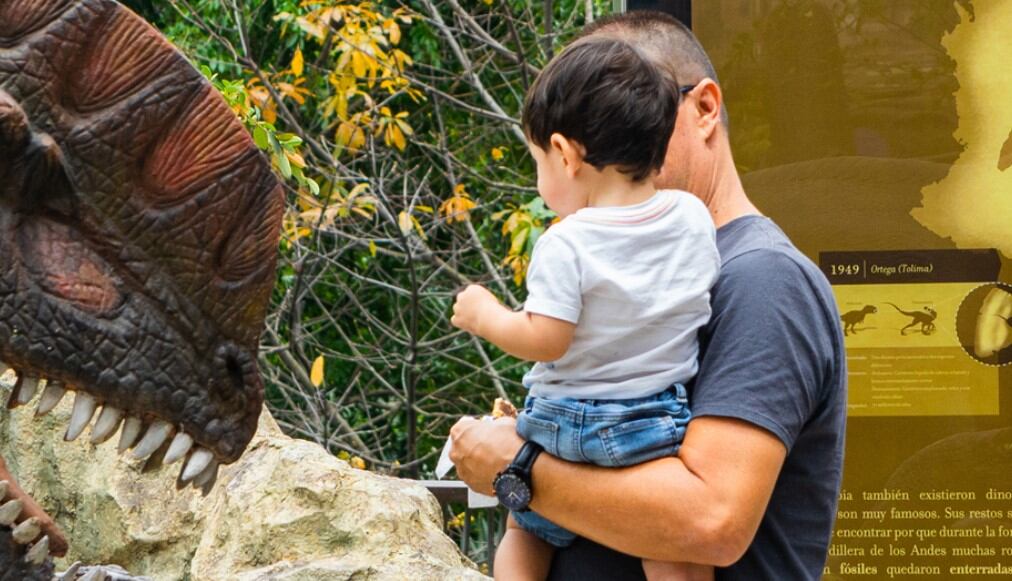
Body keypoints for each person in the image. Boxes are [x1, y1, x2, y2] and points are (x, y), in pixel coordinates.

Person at [448, 11, 847, 581]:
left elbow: (709, 519)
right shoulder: (631, 256)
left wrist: (515, 463)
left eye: (628, 113)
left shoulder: (763, 279)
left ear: (704, 109)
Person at [450, 33, 719, 581]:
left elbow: (546, 339)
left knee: (525, 528)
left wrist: (485, 315)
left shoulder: (567, 241)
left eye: (538, 163)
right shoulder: (691, 217)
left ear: (567, 155)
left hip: (559, 422)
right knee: (667, 544)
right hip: (652, 423)